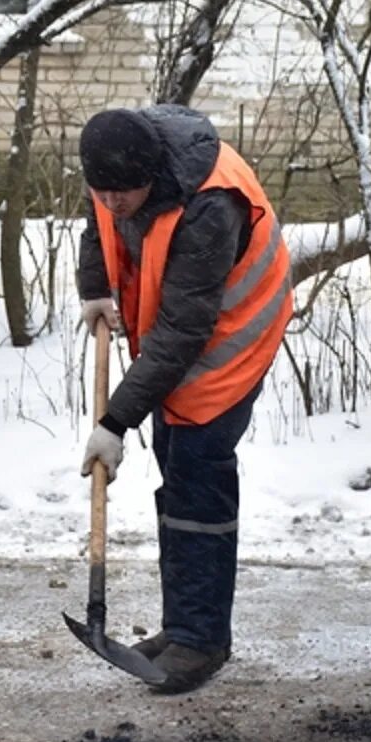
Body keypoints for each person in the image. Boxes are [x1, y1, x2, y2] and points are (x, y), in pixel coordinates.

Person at [74, 106, 293, 694]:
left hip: (231, 335)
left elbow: (183, 332)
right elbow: (98, 222)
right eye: (104, 191)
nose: (114, 203)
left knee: (197, 470)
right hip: (179, 333)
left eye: (126, 194)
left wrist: (115, 420)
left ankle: (202, 641)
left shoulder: (209, 205)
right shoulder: (115, 165)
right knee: (175, 464)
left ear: (153, 176)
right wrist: (94, 286)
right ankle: (182, 628)